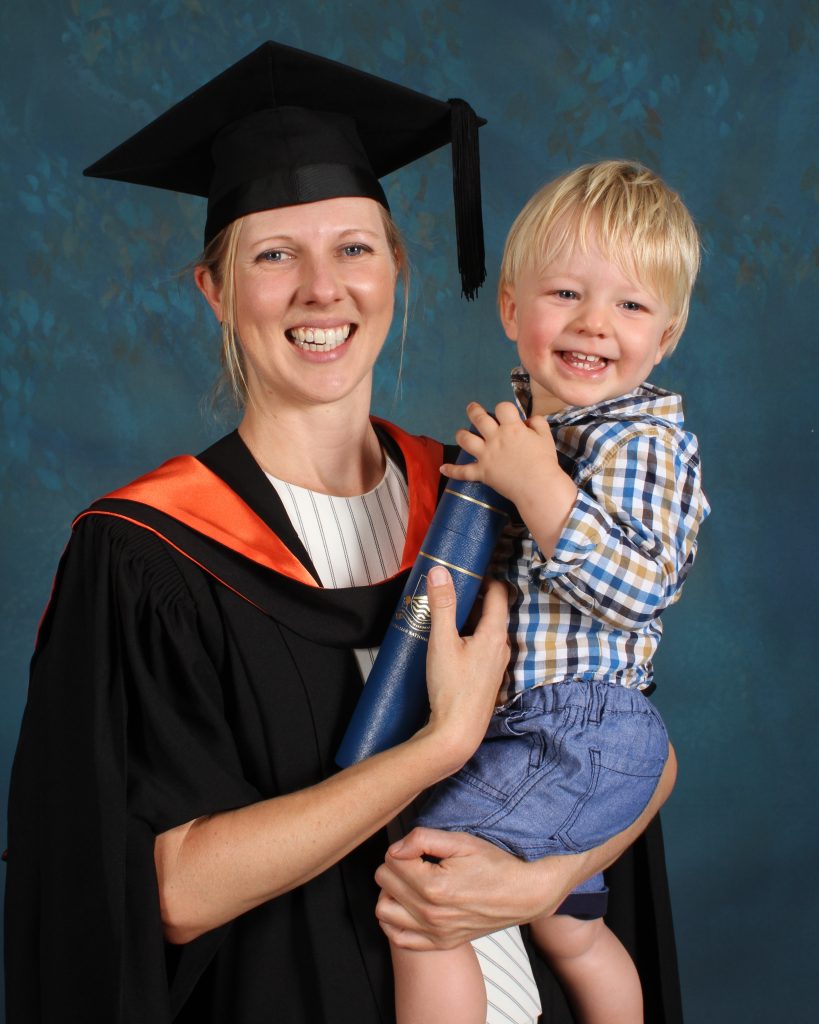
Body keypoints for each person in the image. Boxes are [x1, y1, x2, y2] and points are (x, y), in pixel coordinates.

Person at [4, 41, 679, 1024]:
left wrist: (542, 886)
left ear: (395, 267)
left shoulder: (485, 494)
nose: (324, 289)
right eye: (275, 254)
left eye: (354, 247)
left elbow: (641, 747)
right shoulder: (146, 555)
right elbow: (170, 893)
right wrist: (437, 745)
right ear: (215, 290)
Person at [388, 161, 709, 1024]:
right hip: (544, 729)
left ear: (667, 333)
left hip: (581, 729)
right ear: (510, 308)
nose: (593, 324)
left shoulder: (638, 440)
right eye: (564, 293)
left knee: (425, 886)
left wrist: (536, 489)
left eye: (631, 307)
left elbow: (645, 584)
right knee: (572, 933)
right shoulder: (541, 432)